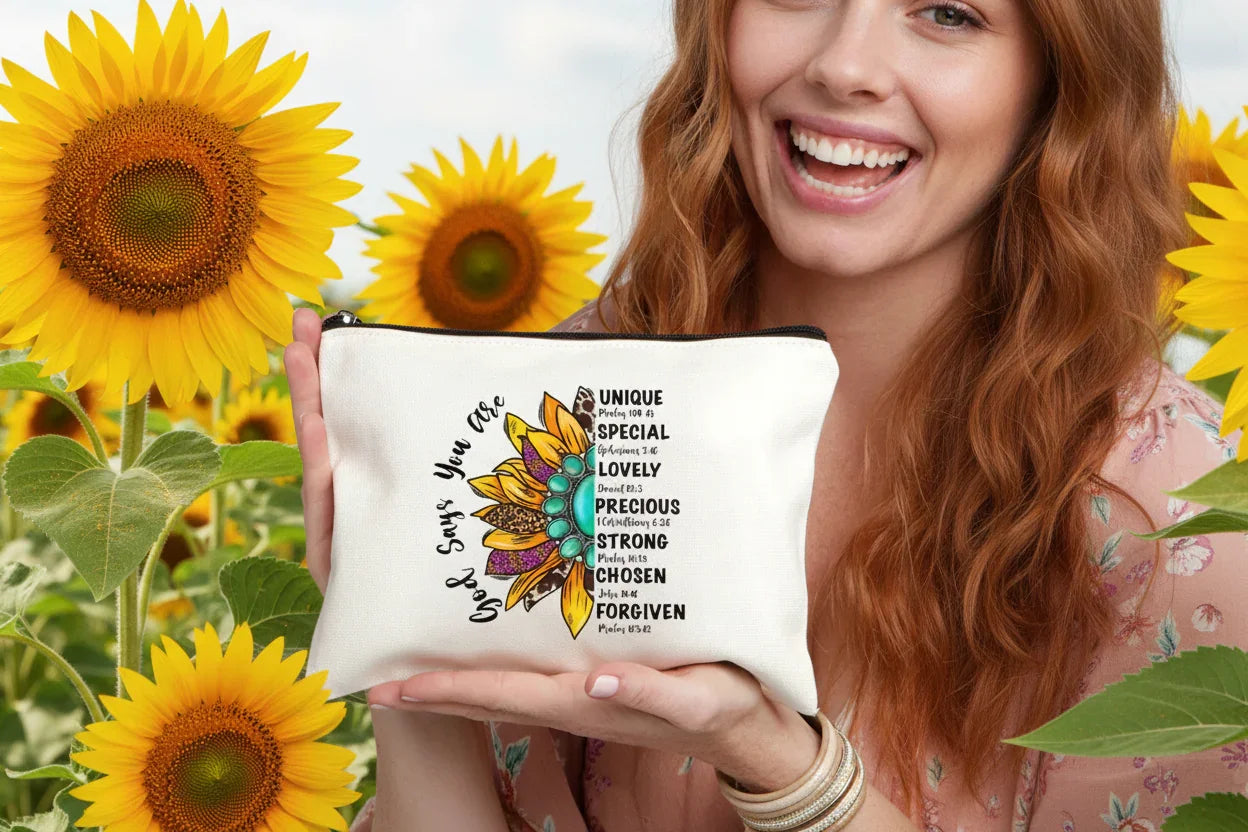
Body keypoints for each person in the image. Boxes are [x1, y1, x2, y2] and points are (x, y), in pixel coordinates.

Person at [285, 0, 1248, 828]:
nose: (843, 65)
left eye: (948, 12)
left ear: (1056, 80)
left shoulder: (1177, 515)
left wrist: (777, 764)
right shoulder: (566, 395)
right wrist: (397, 636)